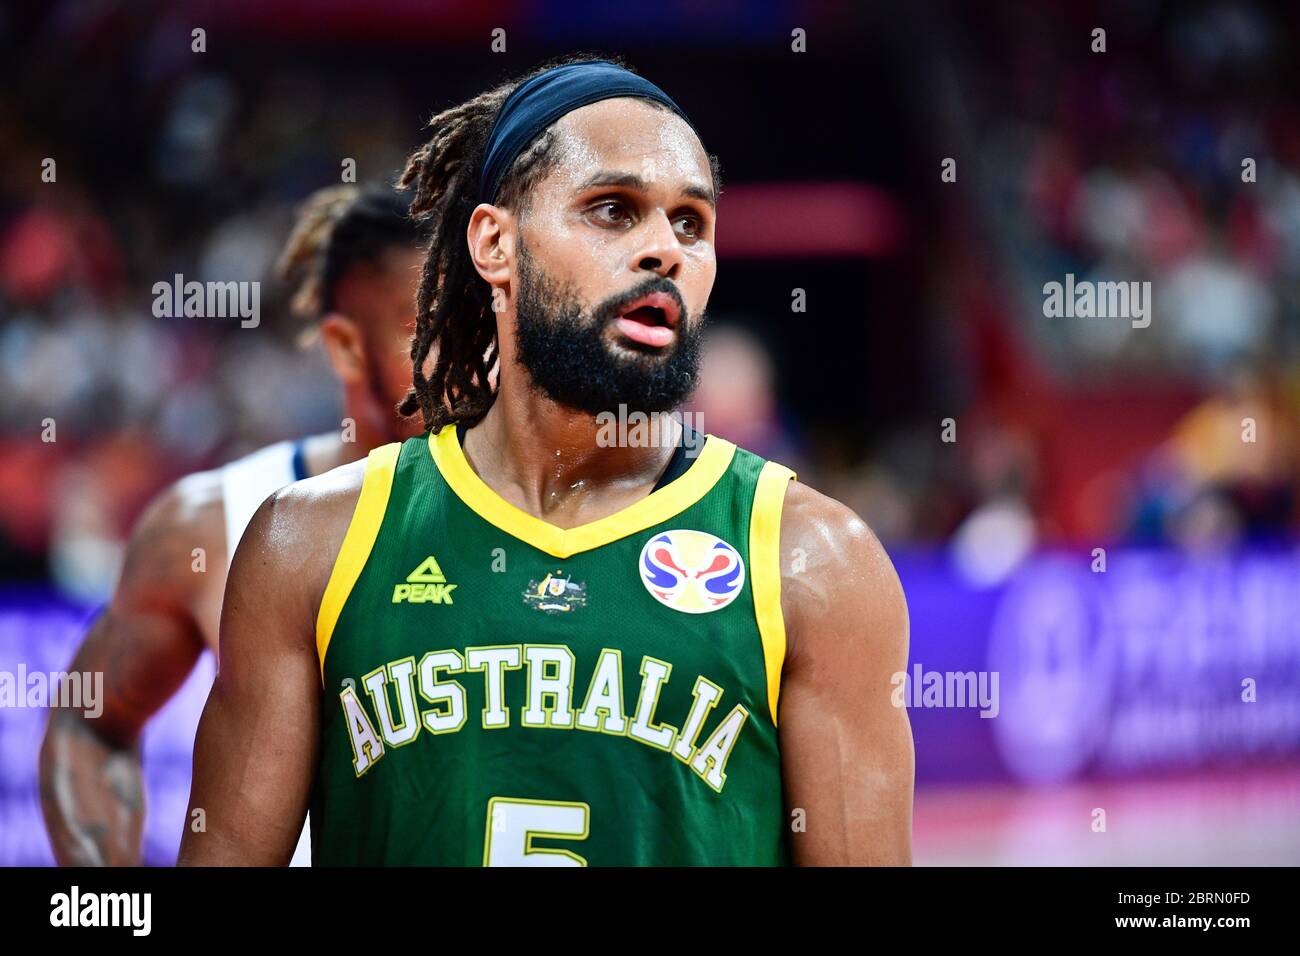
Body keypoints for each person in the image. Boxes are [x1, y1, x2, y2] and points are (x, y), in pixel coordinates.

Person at [179, 57, 914, 866]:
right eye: (613, 210)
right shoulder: (312, 542)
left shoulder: (813, 560)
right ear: (495, 242)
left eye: (691, 224)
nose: (663, 251)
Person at [40, 184, 427, 865]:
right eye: (426, 333)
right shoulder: (212, 520)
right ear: (343, 347)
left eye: (481, 328)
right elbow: (88, 722)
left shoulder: (542, 511)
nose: (464, 367)